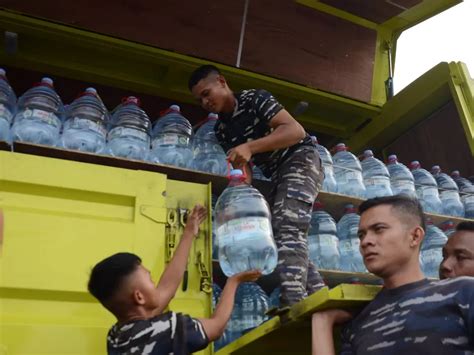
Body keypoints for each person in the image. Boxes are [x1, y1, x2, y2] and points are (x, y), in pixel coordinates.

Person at [189, 64, 325, 307]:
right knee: (278, 232)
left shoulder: (255, 99)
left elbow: (295, 131)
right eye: (200, 100)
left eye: (206, 93)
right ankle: (318, 295)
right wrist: (237, 196)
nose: (205, 102)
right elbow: (244, 169)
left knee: (287, 226)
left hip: (301, 159)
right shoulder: (222, 130)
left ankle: (293, 301)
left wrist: (250, 147)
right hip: (278, 176)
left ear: (221, 81)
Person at [88, 205, 261, 355]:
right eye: (149, 279)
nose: (155, 283)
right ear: (139, 297)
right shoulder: (170, 329)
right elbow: (216, 327)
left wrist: (188, 234)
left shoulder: (117, 337)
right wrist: (233, 281)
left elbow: (167, 288)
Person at [311, 195, 474, 355]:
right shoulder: (358, 324)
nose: (365, 241)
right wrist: (321, 323)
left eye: (379, 229)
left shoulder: (464, 293)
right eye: (361, 235)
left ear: (415, 236)